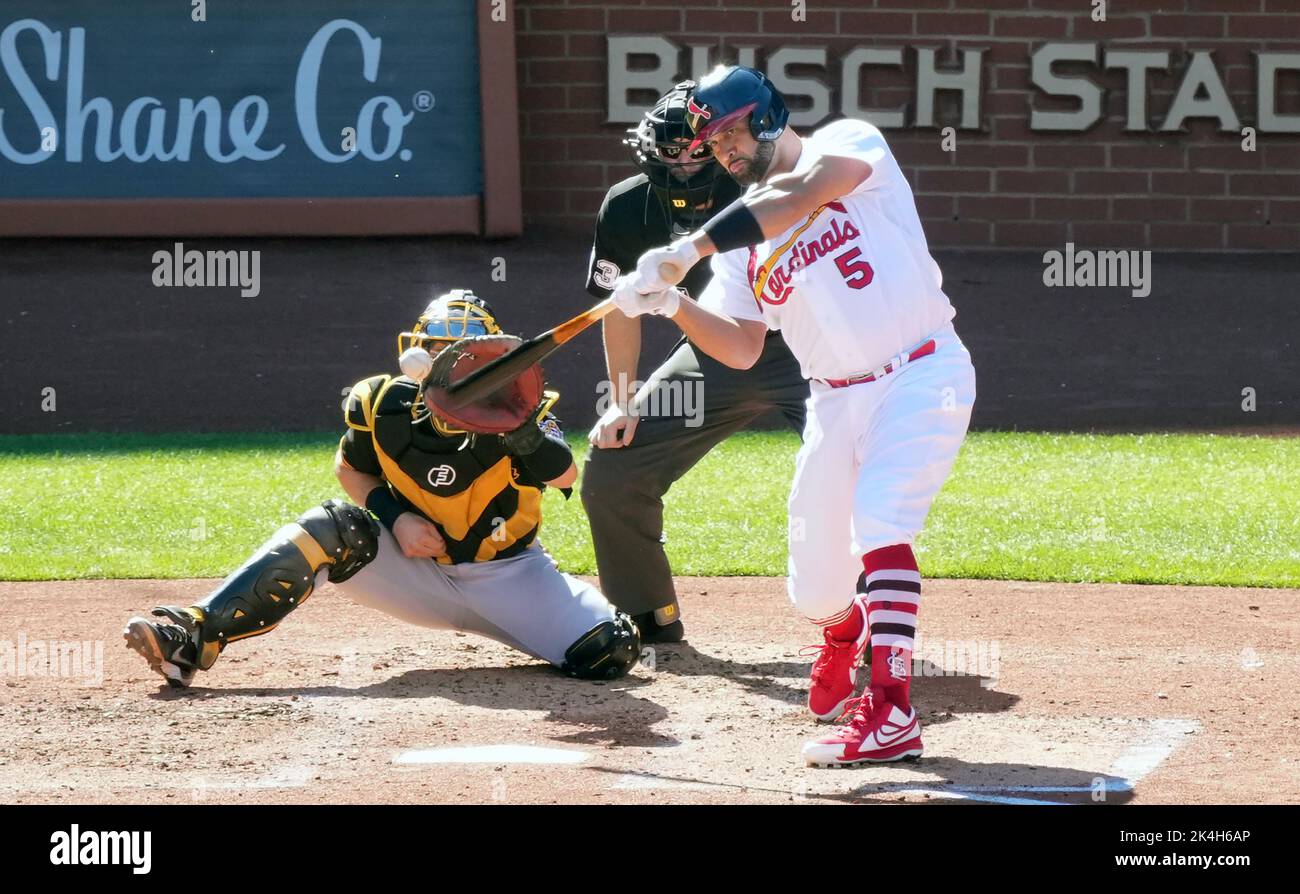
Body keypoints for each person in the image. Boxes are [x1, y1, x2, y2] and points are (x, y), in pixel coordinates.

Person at [610, 66, 977, 766]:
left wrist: (687, 250)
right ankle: (844, 632)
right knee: (814, 585)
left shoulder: (848, 145)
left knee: (881, 523)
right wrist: (671, 304)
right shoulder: (743, 248)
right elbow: (742, 349)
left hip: (922, 370)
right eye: (713, 146)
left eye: (730, 134)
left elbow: (801, 194)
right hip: (834, 400)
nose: (724, 152)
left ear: (768, 116)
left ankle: (892, 711)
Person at [123, 290, 641, 688]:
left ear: (490, 361)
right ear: (417, 358)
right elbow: (350, 471)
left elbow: (565, 475)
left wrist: (518, 427)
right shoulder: (381, 404)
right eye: (437, 350)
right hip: (414, 573)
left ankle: (546, 633)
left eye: (459, 353)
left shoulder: (521, 410)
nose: (449, 363)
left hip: (511, 574)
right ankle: (193, 635)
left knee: (609, 650)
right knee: (333, 526)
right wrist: (396, 517)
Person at [581, 80, 808, 643]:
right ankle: (645, 617)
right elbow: (621, 308)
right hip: (715, 352)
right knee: (614, 465)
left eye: (695, 150)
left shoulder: (767, 189)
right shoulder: (627, 205)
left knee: (850, 479)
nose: (683, 164)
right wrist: (622, 400)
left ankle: (872, 634)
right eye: (669, 153)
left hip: (812, 350)